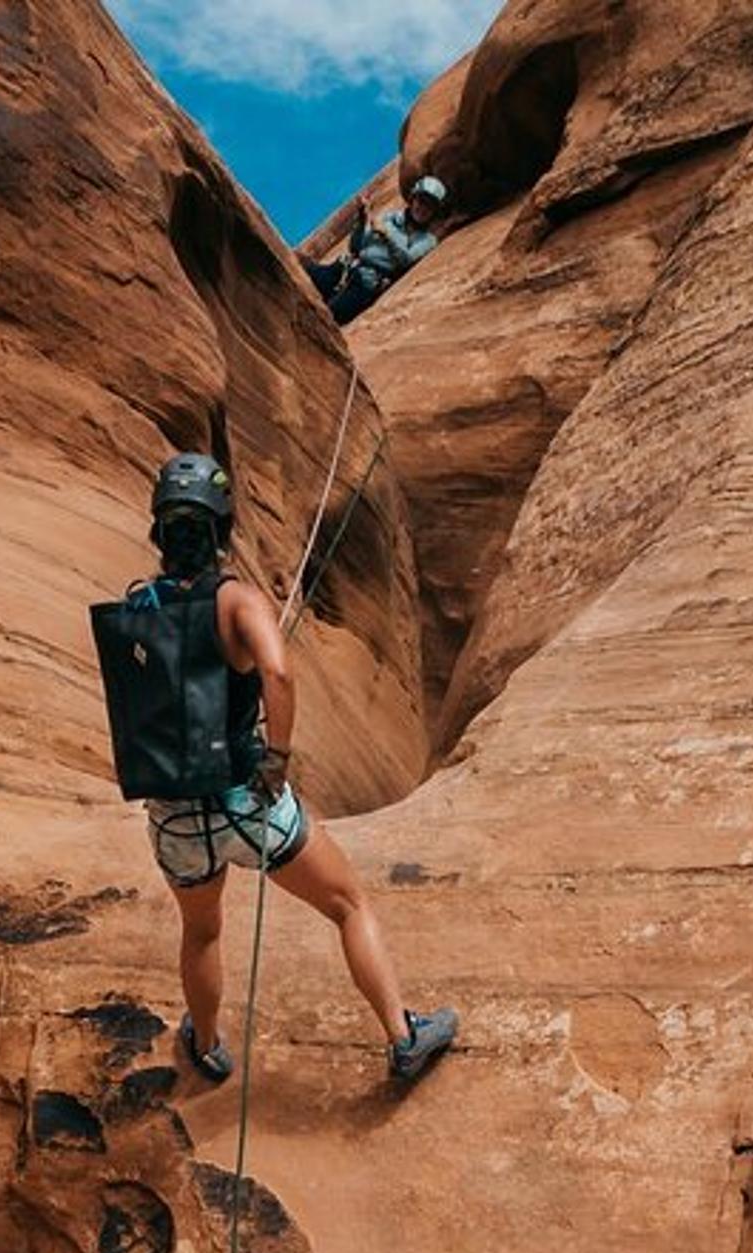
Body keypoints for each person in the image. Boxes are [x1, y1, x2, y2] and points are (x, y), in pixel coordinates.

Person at [104, 453, 459, 1085]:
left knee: (202, 932)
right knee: (348, 904)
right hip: (248, 802)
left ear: (159, 530)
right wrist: (277, 756)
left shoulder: (139, 607)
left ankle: (206, 1046)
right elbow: (279, 672)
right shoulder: (238, 601)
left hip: (175, 815)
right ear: (224, 528)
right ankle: (403, 1037)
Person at [305, 175, 449, 325]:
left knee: (326, 317)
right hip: (346, 268)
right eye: (421, 201)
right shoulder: (390, 218)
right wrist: (361, 221)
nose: (422, 209)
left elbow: (407, 259)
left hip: (367, 283)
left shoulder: (427, 240)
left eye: (429, 206)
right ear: (413, 200)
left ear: (434, 212)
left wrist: (386, 237)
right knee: (306, 277)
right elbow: (355, 247)